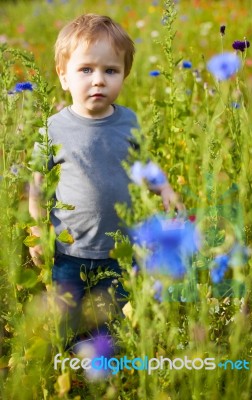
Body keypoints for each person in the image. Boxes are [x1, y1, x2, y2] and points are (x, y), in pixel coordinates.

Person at [29, 14, 185, 346]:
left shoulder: (128, 121)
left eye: (110, 71)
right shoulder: (53, 127)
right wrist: (37, 230)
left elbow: (145, 164)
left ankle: (107, 369)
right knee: (67, 321)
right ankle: (68, 364)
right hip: (67, 248)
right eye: (86, 70)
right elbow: (38, 184)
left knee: (110, 320)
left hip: (119, 247)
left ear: (124, 76)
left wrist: (165, 188)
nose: (98, 80)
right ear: (64, 77)